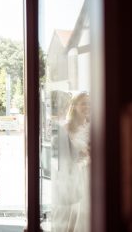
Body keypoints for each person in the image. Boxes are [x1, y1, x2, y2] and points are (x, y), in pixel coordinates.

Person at [51, 92, 90, 232]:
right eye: (83, 103)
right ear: (74, 106)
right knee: (69, 212)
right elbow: (59, 156)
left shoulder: (93, 126)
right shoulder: (66, 127)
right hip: (71, 174)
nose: (87, 106)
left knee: (85, 211)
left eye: (89, 103)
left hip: (88, 173)